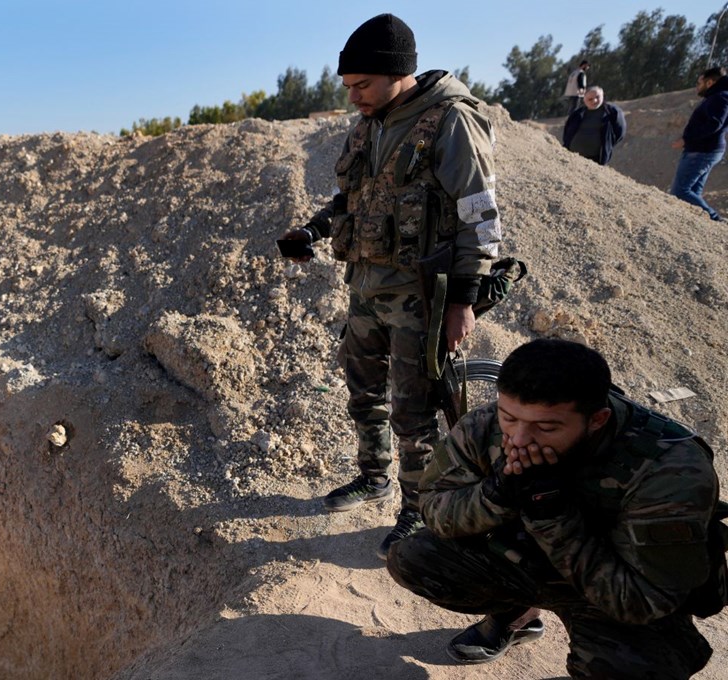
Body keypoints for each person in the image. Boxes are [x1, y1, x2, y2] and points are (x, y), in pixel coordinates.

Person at [278, 13, 501, 558]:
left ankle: (418, 511)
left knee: (414, 409)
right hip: (368, 287)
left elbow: (480, 216)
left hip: (422, 295)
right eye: (348, 87)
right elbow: (356, 199)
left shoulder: (450, 121)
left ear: (398, 73)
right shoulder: (370, 123)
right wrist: (313, 230)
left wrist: (464, 301)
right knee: (363, 392)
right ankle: (373, 476)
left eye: (362, 85)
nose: (353, 97)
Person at [386, 339, 720, 679]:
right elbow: (433, 506)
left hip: (613, 589)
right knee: (416, 557)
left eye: (546, 428)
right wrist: (497, 494)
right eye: (509, 418)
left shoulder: (670, 469)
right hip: (529, 561)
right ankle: (515, 616)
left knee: (635, 669)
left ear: (597, 420)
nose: (519, 439)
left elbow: (644, 601)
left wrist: (553, 517)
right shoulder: (486, 424)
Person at [671, 66, 728, 221]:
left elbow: (714, 124)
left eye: (699, 82)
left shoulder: (720, 98)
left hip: (703, 151)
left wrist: (686, 140)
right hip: (703, 150)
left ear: (709, 82)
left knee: (680, 191)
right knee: (693, 192)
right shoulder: (716, 96)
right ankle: (700, 224)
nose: (697, 86)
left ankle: (715, 220)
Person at [562, 86, 626, 165]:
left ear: (603, 95)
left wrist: (607, 144)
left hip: (595, 159)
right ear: (584, 99)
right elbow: (567, 132)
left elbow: (620, 132)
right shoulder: (577, 114)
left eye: (597, 97)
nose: (594, 101)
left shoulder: (612, 112)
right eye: (590, 99)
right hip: (572, 157)